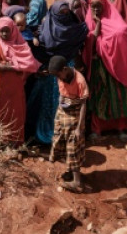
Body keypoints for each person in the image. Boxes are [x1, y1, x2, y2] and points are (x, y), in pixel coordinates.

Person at [83, 0, 127, 139]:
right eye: (93, 7)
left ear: (105, 6)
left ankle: (121, 128)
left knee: (118, 96)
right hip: (98, 67)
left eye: (99, 6)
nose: (96, 9)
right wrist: (97, 25)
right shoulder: (88, 23)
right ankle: (97, 128)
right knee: (99, 96)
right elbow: (89, 43)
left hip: (116, 67)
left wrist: (104, 46)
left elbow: (122, 36)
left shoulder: (116, 23)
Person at [0, 17, 41, 147]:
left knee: (15, 114)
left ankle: (13, 144)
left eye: (7, 31)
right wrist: (16, 66)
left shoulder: (20, 43)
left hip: (15, 88)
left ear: (13, 30)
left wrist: (7, 66)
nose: (4, 34)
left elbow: (29, 64)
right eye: (1, 31)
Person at [47, 55, 88, 193]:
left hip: (76, 113)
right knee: (60, 140)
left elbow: (83, 104)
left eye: (58, 74)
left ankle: (77, 182)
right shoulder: (60, 77)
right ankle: (70, 170)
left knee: (73, 144)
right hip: (63, 111)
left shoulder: (80, 80)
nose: (58, 78)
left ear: (65, 69)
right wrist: (62, 102)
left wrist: (79, 127)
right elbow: (62, 94)